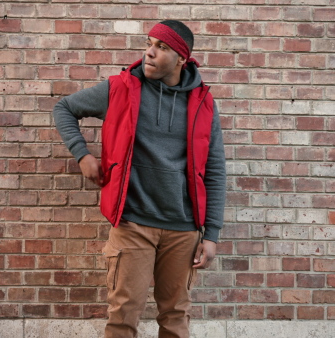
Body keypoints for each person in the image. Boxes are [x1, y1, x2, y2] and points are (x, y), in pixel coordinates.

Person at [53, 20, 226, 338]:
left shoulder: (202, 104)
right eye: (149, 44)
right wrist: (83, 155)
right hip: (132, 224)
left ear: (181, 60)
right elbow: (65, 108)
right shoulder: (120, 89)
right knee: (122, 318)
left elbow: (214, 172)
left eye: (162, 48)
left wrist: (211, 234)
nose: (149, 52)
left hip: (183, 230)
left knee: (175, 319)